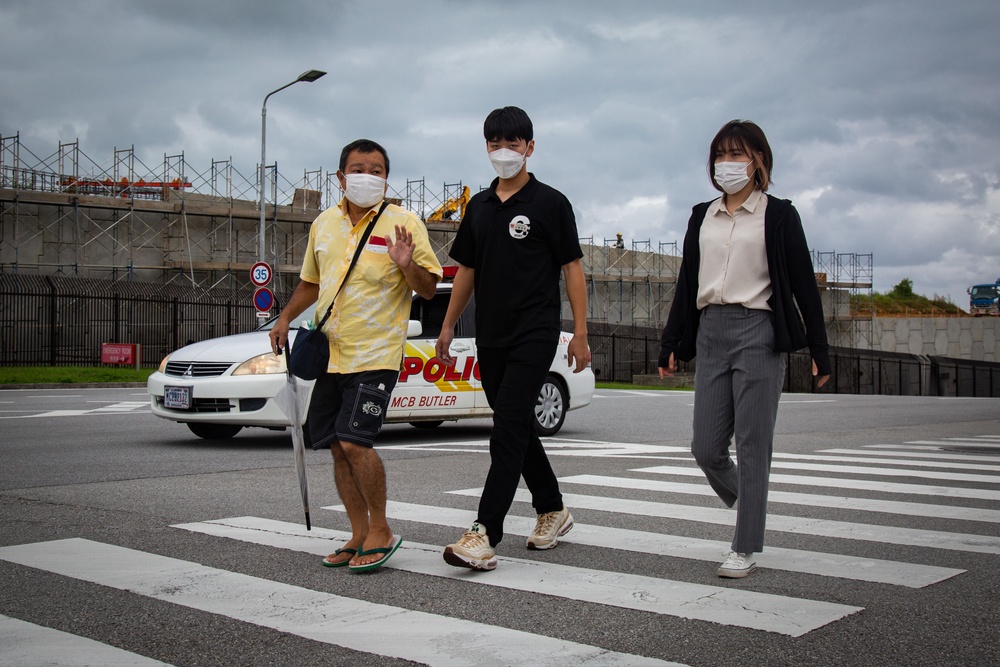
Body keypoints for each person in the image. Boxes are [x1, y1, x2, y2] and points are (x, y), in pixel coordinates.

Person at [657, 120, 831, 579]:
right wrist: (671, 343)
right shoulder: (702, 215)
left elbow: (804, 289)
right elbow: (686, 284)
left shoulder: (779, 215)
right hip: (710, 331)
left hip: (759, 330)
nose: (727, 164)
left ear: (758, 161)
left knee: (754, 447)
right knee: (706, 448)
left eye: (737, 155)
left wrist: (820, 347)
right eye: (720, 155)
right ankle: (751, 504)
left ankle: (745, 543)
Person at [269, 139, 442, 572]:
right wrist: (284, 317)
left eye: (377, 169)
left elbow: (426, 288)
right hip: (332, 352)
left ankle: (381, 529)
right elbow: (313, 281)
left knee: (354, 440)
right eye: (359, 168)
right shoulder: (323, 224)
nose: (369, 175)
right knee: (335, 446)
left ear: (386, 177)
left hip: (377, 352)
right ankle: (358, 531)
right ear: (341, 176)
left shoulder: (404, 223)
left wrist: (406, 263)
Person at [435, 106, 590, 571]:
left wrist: (580, 334)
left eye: (513, 143)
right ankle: (552, 508)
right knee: (517, 426)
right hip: (492, 336)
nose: (504, 151)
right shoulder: (479, 207)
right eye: (495, 143)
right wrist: (447, 325)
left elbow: (573, 270)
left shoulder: (550, 203)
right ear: (486, 147)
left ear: (530, 147)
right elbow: (466, 270)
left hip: (535, 332)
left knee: (504, 432)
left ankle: (484, 533)